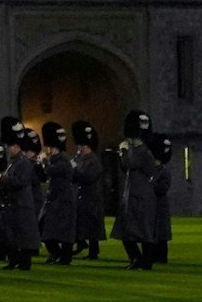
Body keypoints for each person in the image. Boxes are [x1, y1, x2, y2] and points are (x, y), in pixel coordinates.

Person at [111, 109, 159, 271]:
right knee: (125, 231)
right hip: (131, 194)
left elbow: (131, 163)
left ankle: (146, 262)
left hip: (142, 196)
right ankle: (136, 258)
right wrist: (122, 153)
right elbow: (126, 168)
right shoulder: (138, 150)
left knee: (144, 231)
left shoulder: (144, 152)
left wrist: (125, 150)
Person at [0, 126, 41, 271]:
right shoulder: (14, 163)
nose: (8, 149)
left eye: (10, 146)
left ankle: (24, 263)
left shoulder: (24, 163)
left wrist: (2, 178)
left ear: (16, 146)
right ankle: (13, 261)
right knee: (11, 234)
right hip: (13, 203)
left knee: (23, 235)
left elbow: (20, 182)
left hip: (21, 204)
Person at [38, 122, 76, 265]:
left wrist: (43, 162)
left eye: (50, 148)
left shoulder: (63, 161)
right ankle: (57, 254)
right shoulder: (56, 160)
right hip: (54, 200)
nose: (48, 150)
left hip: (63, 200)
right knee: (45, 229)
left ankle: (64, 257)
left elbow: (50, 172)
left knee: (63, 233)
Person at [69, 120, 106, 260]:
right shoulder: (81, 158)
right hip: (81, 196)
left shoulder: (93, 161)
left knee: (92, 227)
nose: (79, 148)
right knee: (82, 224)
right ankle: (83, 246)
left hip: (91, 197)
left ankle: (93, 252)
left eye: (82, 146)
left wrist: (75, 168)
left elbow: (88, 177)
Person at [150, 133, 175, 264]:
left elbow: (162, 189)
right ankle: (154, 256)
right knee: (153, 232)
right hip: (151, 204)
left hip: (160, 205)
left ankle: (162, 257)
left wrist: (150, 182)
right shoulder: (151, 170)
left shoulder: (163, 172)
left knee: (161, 235)